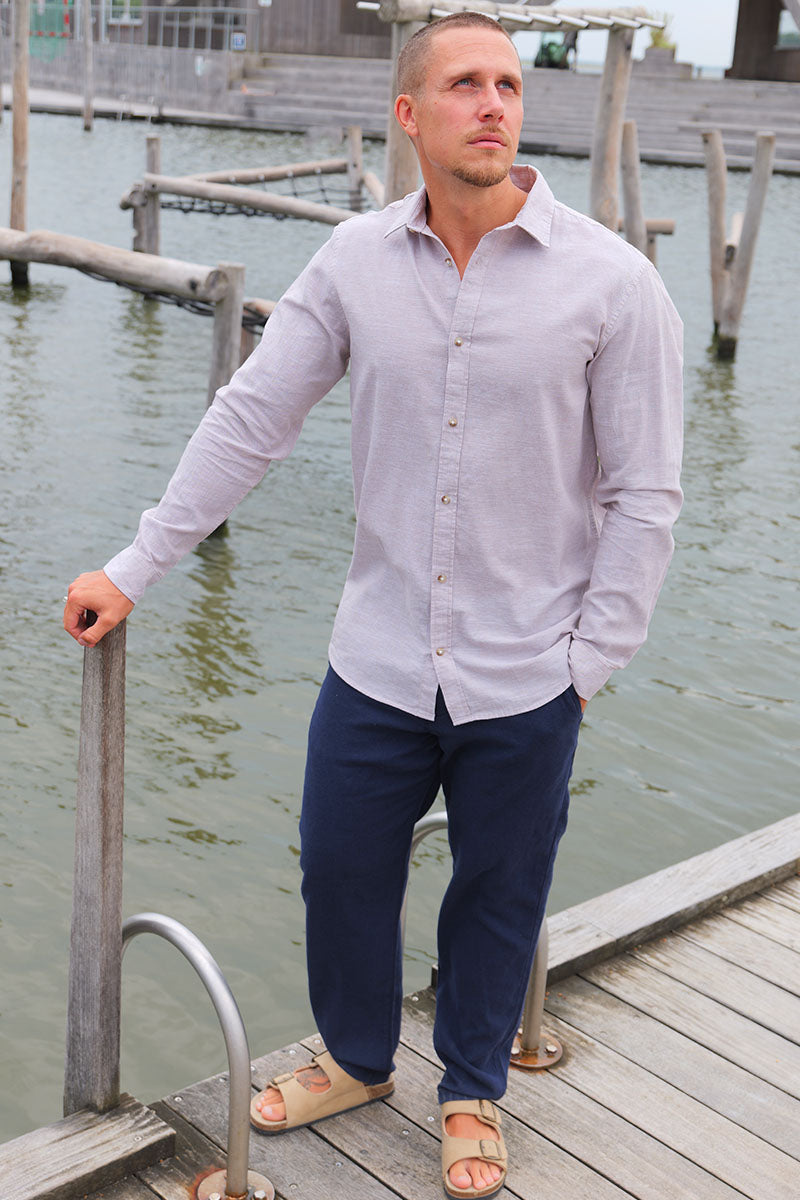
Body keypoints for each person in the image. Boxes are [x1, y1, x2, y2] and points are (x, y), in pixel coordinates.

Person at [64, 13, 683, 1198]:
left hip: (530, 667)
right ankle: (354, 1058)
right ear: (408, 115)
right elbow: (252, 419)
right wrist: (136, 566)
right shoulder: (352, 261)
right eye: (465, 84)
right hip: (379, 653)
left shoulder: (612, 282)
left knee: (498, 891)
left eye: (507, 84)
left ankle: (470, 1089)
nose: (493, 103)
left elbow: (643, 495)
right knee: (339, 870)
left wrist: (587, 662)